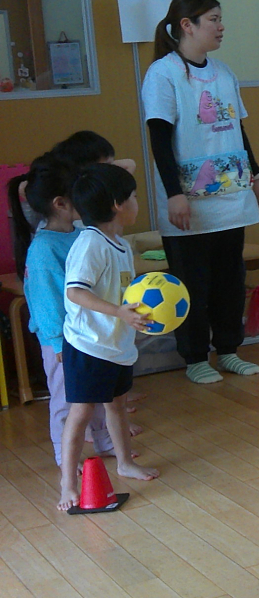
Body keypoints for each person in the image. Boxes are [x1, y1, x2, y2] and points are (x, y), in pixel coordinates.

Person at [142, 0, 259, 383]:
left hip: (232, 197)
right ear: (187, 25)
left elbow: (237, 130)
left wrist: (258, 175)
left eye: (219, 18)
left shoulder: (224, 72)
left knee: (230, 280)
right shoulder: (163, 74)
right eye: (213, 19)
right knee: (192, 283)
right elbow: (159, 138)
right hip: (189, 203)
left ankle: (229, 350)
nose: (221, 26)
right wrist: (174, 194)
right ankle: (195, 357)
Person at [57, 164, 159, 511]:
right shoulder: (90, 243)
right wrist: (118, 312)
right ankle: (68, 485)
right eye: (133, 196)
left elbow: (122, 291)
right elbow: (75, 292)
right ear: (117, 204)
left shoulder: (120, 244)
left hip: (115, 344)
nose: (136, 202)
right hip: (88, 345)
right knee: (81, 412)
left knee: (116, 403)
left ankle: (125, 462)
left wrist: (137, 315)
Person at [9, 156, 117, 465]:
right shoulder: (44, 248)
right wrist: (58, 343)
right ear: (60, 203)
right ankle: (64, 455)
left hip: (87, 335)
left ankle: (104, 441)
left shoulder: (80, 235)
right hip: (62, 342)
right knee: (66, 401)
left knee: (96, 394)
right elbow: (45, 304)